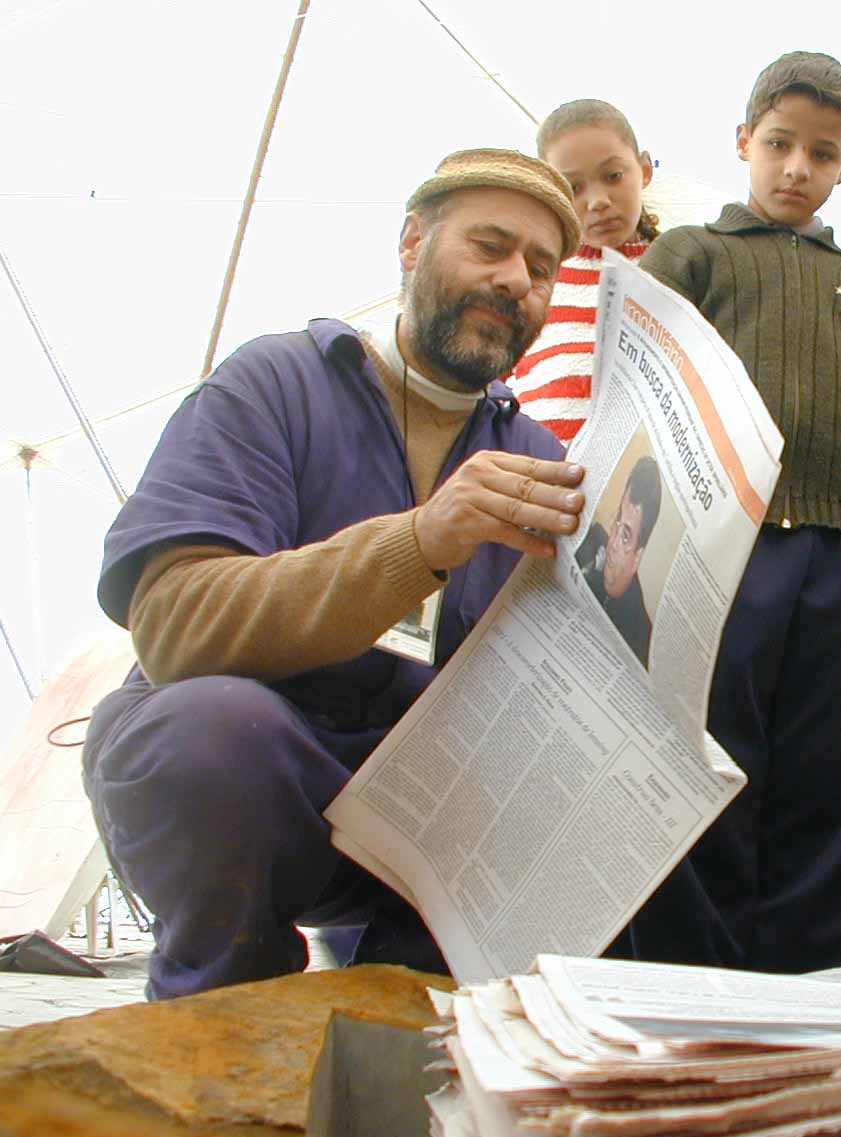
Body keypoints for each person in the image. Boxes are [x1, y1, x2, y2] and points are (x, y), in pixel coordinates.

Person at [82, 149, 586, 999]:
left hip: (421, 812)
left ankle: (420, 1035)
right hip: (255, 774)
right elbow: (172, 624)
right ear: (411, 242)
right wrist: (419, 541)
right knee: (215, 729)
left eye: (541, 270)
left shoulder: (542, 463)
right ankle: (219, 1028)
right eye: (491, 246)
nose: (515, 282)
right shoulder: (272, 385)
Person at [631, 51, 841, 973]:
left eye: (823, 153)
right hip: (724, 548)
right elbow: (643, 386)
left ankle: (822, 988)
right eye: (781, 144)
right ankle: (695, 984)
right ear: (744, 143)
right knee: (705, 763)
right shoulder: (691, 255)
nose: (798, 168)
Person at [508, 99, 660, 445]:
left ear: (645, 170)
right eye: (574, 188)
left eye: (613, 176)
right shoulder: (532, 276)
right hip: (539, 474)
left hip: (638, 484)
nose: (597, 201)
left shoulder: (679, 266)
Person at [583, 455, 660, 666]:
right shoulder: (590, 545)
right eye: (618, 520)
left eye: (626, 536)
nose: (613, 543)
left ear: (637, 558)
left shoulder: (641, 638)